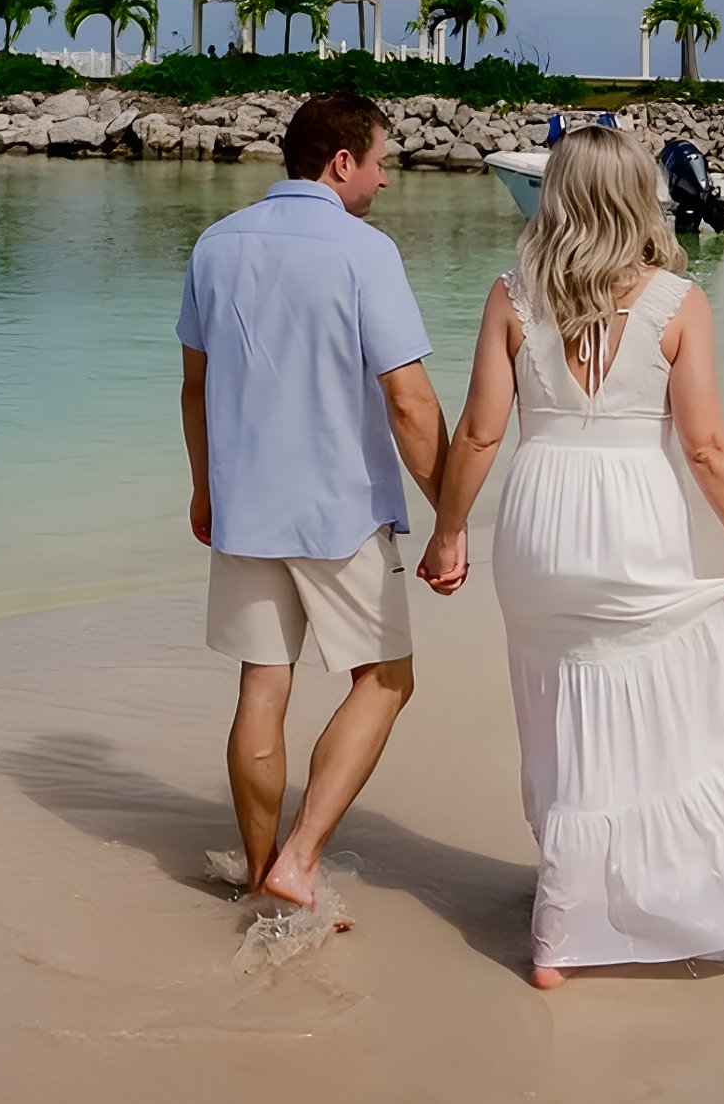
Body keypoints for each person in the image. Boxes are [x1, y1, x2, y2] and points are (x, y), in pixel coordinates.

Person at [417, 125, 724, 988]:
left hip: (537, 517)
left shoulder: (511, 295)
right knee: (645, 705)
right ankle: (582, 919)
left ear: (559, 193)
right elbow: (707, 447)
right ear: (642, 195)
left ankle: (564, 900)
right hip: (633, 510)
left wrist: (451, 530)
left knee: (555, 702)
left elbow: (482, 432)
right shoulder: (679, 302)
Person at [178, 91, 446, 909]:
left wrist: (202, 487)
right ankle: (300, 858)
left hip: (244, 505)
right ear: (341, 164)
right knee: (386, 679)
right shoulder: (365, 251)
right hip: (341, 513)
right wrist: (453, 511)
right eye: (381, 161)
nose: (387, 179)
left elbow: (195, 388)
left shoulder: (215, 246)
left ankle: (261, 880)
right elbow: (409, 401)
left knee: (263, 685)